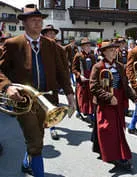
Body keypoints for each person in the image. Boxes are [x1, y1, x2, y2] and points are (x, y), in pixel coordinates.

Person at [0, 4, 75, 176]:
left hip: (48, 100)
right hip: (24, 102)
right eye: (33, 20)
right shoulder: (12, 44)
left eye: (40, 20)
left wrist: (70, 95)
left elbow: (62, 72)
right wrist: (7, 86)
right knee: (35, 143)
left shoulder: (51, 45)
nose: (38, 23)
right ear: (24, 23)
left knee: (38, 137)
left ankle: (27, 162)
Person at [90, 40, 137, 170]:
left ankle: (117, 153)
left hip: (119, 101)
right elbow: (93, 87)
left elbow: (125, 84)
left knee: (118, 129)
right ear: (104, 52)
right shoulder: (98, 67)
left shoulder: (120, 66)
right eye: (110, 50)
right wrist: (109, 97)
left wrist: (134, 98)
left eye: (114, 50)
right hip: (106, 102)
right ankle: (114, 156)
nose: (113, 52)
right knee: (107, 129)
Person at [41, 24, 70, 140]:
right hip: (38, 83)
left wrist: (65, 85)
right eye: (49, 33)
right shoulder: (37, 47)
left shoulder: (60, 49)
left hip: (53, 84)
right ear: (44, 35)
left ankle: (53, 129)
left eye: (53, 33)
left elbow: (64, 68)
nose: (52, 35)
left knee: (53, 107)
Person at [72, 37, 96, 123]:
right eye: (86, 46)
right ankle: (81, 112)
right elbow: (74, 69)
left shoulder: (92, 56)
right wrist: (79, 76)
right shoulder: (78, 55)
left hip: (90, 79)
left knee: (91, 97)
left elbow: (95, 67)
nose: (88, 47)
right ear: (82, 47)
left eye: (89, 45)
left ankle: (90, 113)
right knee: (82, 98)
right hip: (82, 80)